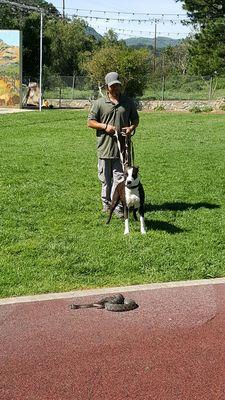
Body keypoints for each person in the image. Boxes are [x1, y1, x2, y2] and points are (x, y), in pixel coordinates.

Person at [87, 71, 139, 215]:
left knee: (120, 178)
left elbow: (135, 120)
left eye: (117, 85)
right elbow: (90, 122)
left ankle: (117, 206)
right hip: (104, 148)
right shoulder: (99, 103)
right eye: (112, 86)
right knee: (105, 180)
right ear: (107, 87)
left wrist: (130, 128)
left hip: (122, 150)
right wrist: (105, 126)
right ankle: (106, 204)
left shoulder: (128, 102)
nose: (115, 88)